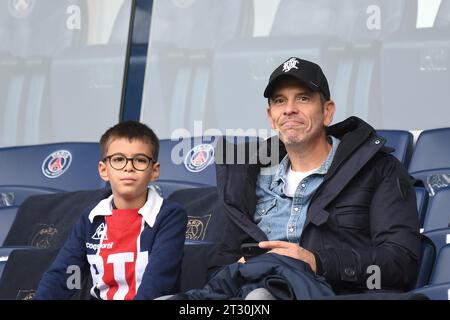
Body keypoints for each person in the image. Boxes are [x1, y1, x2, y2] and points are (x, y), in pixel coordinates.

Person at [171, 57, 421, 300]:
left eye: (303, 98)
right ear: (271, 117)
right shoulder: (248, 176)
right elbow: (218, 272)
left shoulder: (378, 169)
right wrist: (238, 268)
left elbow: (400, 265)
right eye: (280, 101)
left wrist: (317, 263)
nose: (290, 109)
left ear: (327, 111)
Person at [34, 121, 187, 300]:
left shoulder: (169, 215)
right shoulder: (91, 218)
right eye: (118, 159)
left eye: (139, 160)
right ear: (103, 170)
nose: (128, 167)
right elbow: (64, 275)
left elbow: (159, 281)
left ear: (154, 171)